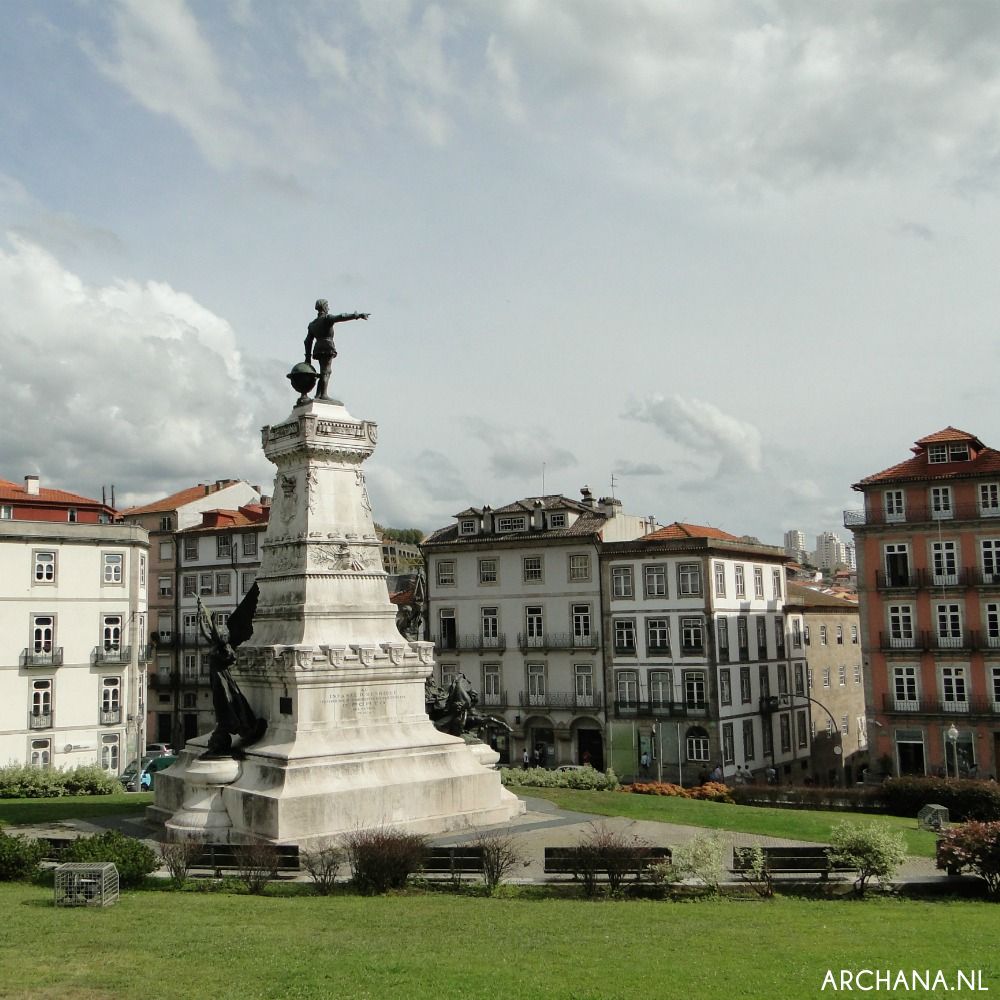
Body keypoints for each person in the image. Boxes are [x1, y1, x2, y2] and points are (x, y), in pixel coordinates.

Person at [304, 299, 369, 400]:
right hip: (327, 346)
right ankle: (324, 395)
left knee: (323, 371)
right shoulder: (327, 318)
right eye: (327, 306)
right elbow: (341, 316)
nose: (328, 308)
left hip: (318, 347)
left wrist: (308, 358)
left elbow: (307, 341)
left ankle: (318, 395)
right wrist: (357, 315)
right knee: (327, 371)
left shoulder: (312, 324)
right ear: (325, 307)